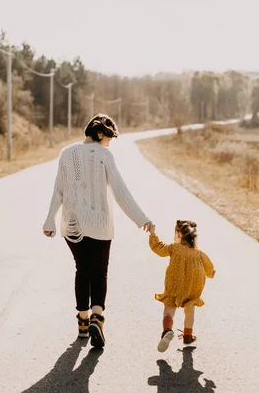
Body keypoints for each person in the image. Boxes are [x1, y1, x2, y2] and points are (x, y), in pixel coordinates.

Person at [43, 114, 154, 349]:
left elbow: (58, 191)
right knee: (100, 272)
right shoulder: (104, 155)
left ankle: (82, 322)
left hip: (72, 225)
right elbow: (120, 191)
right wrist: (141, 219)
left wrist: (49, 220)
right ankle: (97, 317)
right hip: (100, 223)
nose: (109, 143)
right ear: (100, 134)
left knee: (82, 270)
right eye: (109, 138)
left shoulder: (66, 153)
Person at [148, 219, 215, 352]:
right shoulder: (200, 254)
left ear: (178, 234)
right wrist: (211, 274)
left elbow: (159, 248)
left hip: (175, 285)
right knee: (190, 309)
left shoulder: (174, 248)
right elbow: (210, 270)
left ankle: (167, 331)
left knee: (169, 310)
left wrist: (152, 234)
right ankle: (188, 336)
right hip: (193, 286)